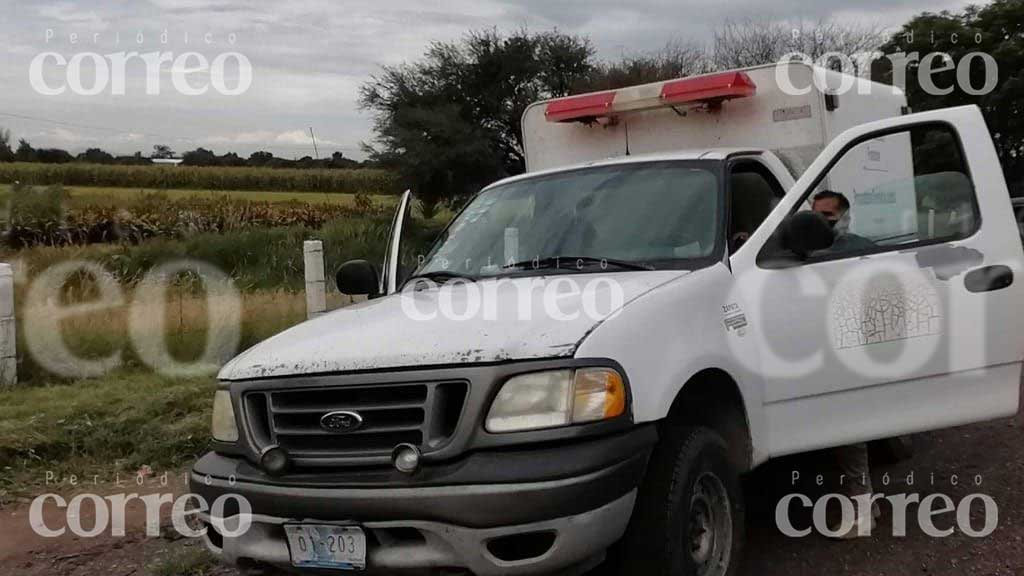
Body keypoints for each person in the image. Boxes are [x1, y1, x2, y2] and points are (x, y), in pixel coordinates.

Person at [811, 190, 880, 539]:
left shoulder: (859, 249)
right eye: (814, 216)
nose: (820, 223)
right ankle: (866, 503)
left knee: (850, 432)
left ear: (845, 216)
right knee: (848, 432)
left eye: (827, 217)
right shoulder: (810, 250)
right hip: (829, 352)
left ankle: (863, 512)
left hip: (852, 353)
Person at [811, 190, 875, 253]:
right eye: (815, 214)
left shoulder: (864, 248)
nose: (819, 218)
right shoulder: (805, 249)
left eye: (826, 214)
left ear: (845, 219)